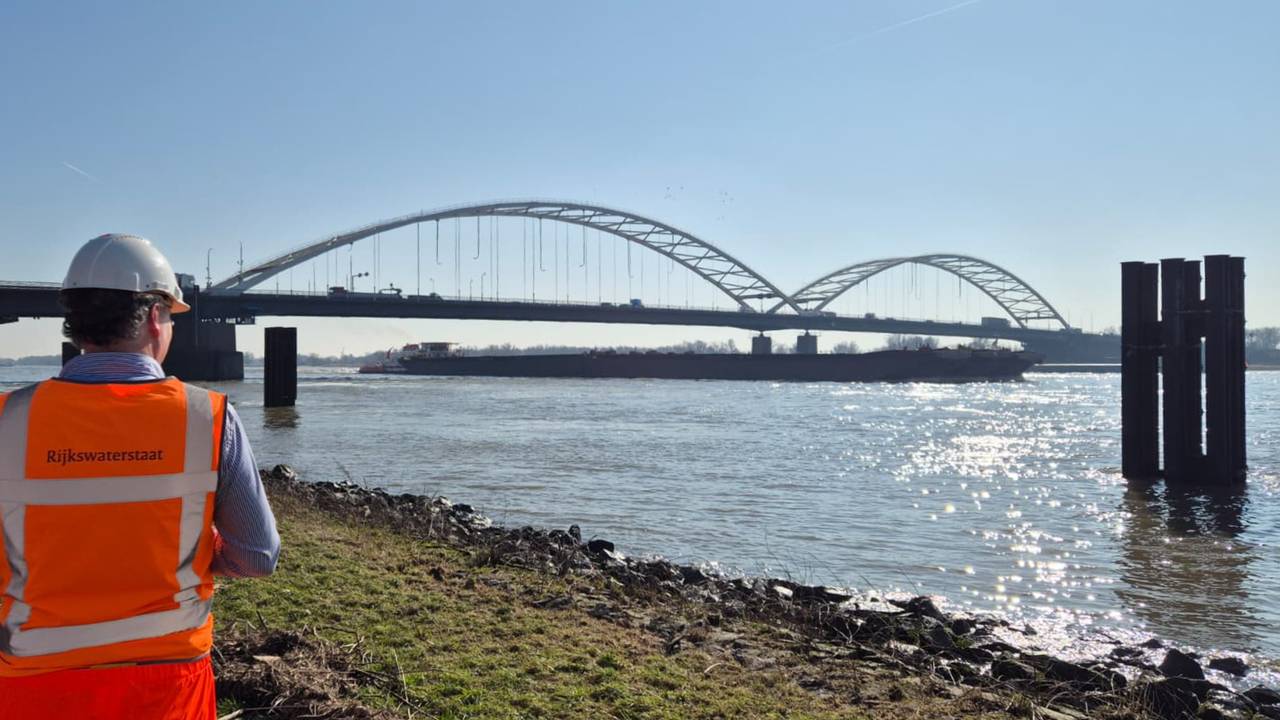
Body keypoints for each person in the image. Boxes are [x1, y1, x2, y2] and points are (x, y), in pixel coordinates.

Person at [0, 234, 280, 719]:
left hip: (32, 685)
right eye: (171, 316)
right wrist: (199, 547)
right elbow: (257, 557)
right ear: (155, 316)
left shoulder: (8, 419)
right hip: (168, 684)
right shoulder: (207, 417)